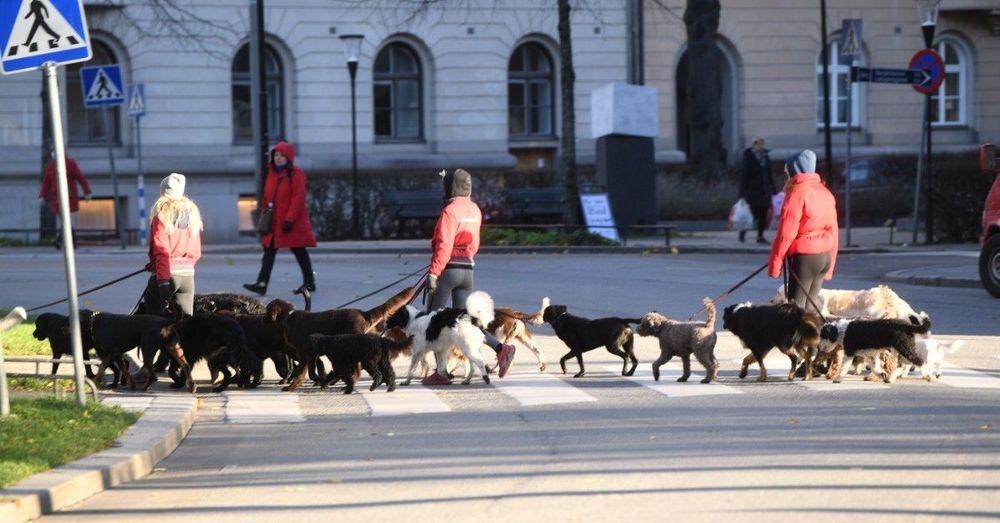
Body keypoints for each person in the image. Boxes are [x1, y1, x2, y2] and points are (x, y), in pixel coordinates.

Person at [423, 168, 516, 385]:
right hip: (467, 268)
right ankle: (501, 349)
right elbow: (474, 244)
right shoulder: (474, 209)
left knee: (433, 321)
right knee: (467, 322)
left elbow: (444, 245)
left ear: (449, 187)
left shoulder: (449, 211)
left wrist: (434, 273)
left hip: (448, 269)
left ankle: (441, 372)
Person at [768, 150, 839, 312]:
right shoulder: (825, 192)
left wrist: (775, 265)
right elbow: (834, 232)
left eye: (788, 171)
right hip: (824, 257)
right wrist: (831, 264)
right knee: (811, 310)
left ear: (795, 170)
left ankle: (797, 338)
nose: (787, 175)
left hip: (805, 259)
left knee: (795, 311)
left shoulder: (797, 192)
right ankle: (815, 337)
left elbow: (786, 234)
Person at [243, 141, 317, 296]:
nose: (278, 158)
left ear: (288, 157)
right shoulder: (271, 174)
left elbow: (298, 198)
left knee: (299, 250)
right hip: (274, 223)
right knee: (269, 252)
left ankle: (309, 282)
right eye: (276, 155)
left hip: (291, 222)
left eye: (282, 155)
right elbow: (266, 197)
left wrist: (289, 220)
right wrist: (264, 214)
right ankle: (262, 283)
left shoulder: (296, 174)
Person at [145, 173, 202, 316]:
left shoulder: (162, 216)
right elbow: (196, 252)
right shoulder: (192, 216)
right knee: (185, 323)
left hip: (167, 275)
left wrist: (163, 282)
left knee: (154, 322)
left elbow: (162, 252)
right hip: (187, 277)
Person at [39, 152, 91, 248]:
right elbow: (46, 182)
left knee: (65, 220)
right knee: (65, 221)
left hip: (69, 198)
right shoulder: (51, 166)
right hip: (56, 199)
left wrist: (87, 192)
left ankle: (62, 241)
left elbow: (80, 177)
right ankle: (69, 241)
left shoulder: (70, 163)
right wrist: (42, 195)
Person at [738, 137, 777, 244]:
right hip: (753, 192)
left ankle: (760, 236)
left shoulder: (765, 157)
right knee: (752, 214)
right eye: (758, 144)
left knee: (763, 214)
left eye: (762, 144)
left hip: (764, 191)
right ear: (754, 145)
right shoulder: (749, 158)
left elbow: (769, 175)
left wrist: (773, 189)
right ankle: (743, 232)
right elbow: (744, 176)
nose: (760, 146)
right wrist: (742, 193)